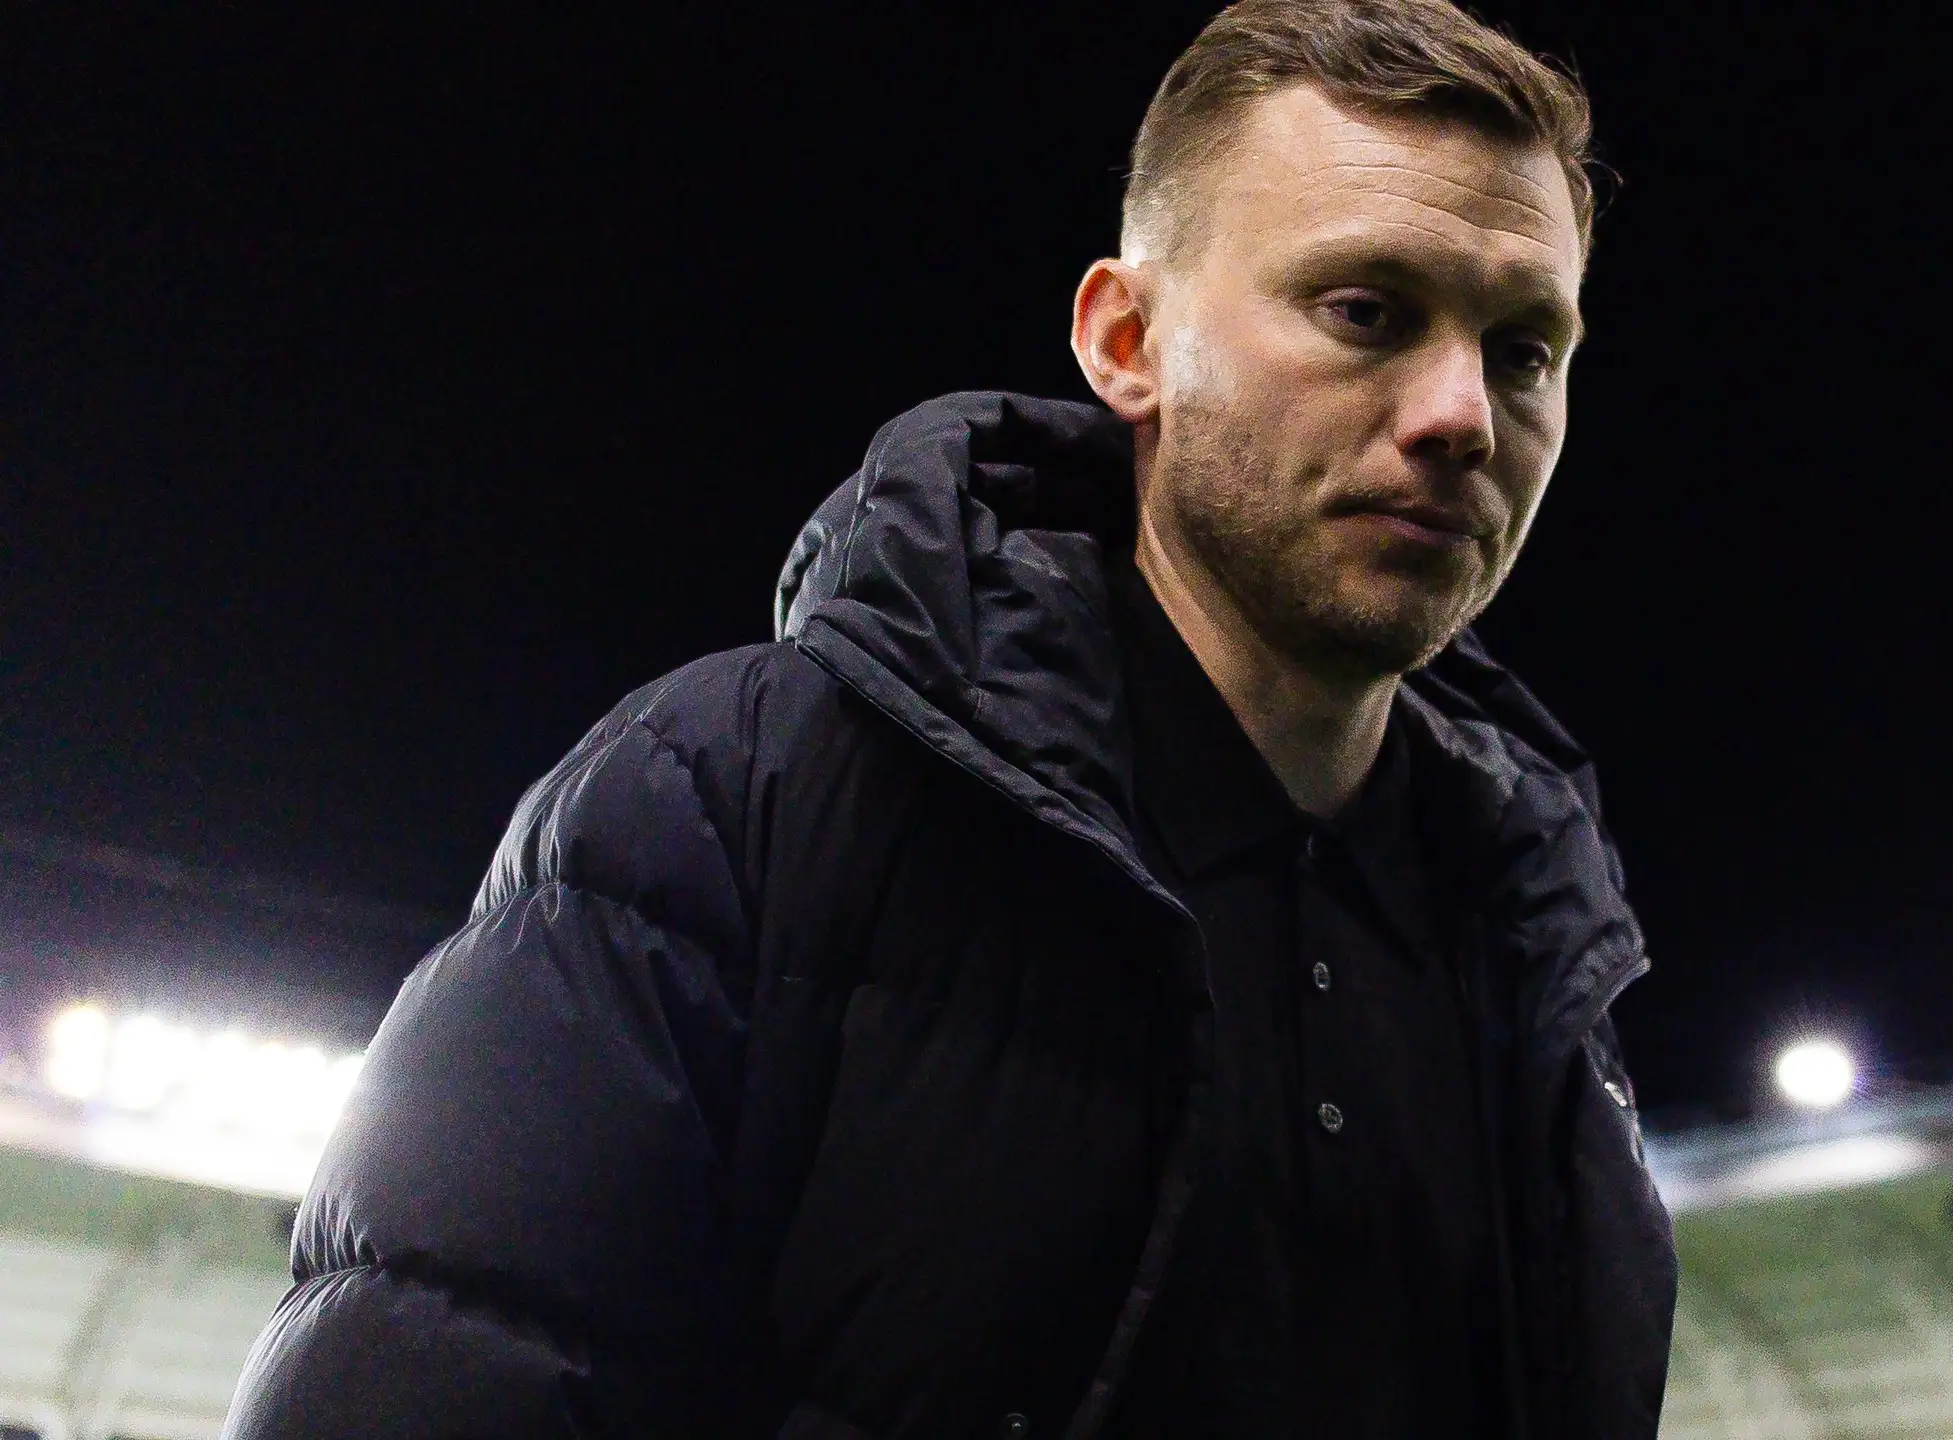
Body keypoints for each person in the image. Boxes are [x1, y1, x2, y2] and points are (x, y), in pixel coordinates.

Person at [225, 0, 1674, 1435]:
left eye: (1524, 350)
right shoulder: (726, 806)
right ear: (1127, 340)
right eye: (1366, 312)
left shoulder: (1541, 957)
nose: (1461, 414)